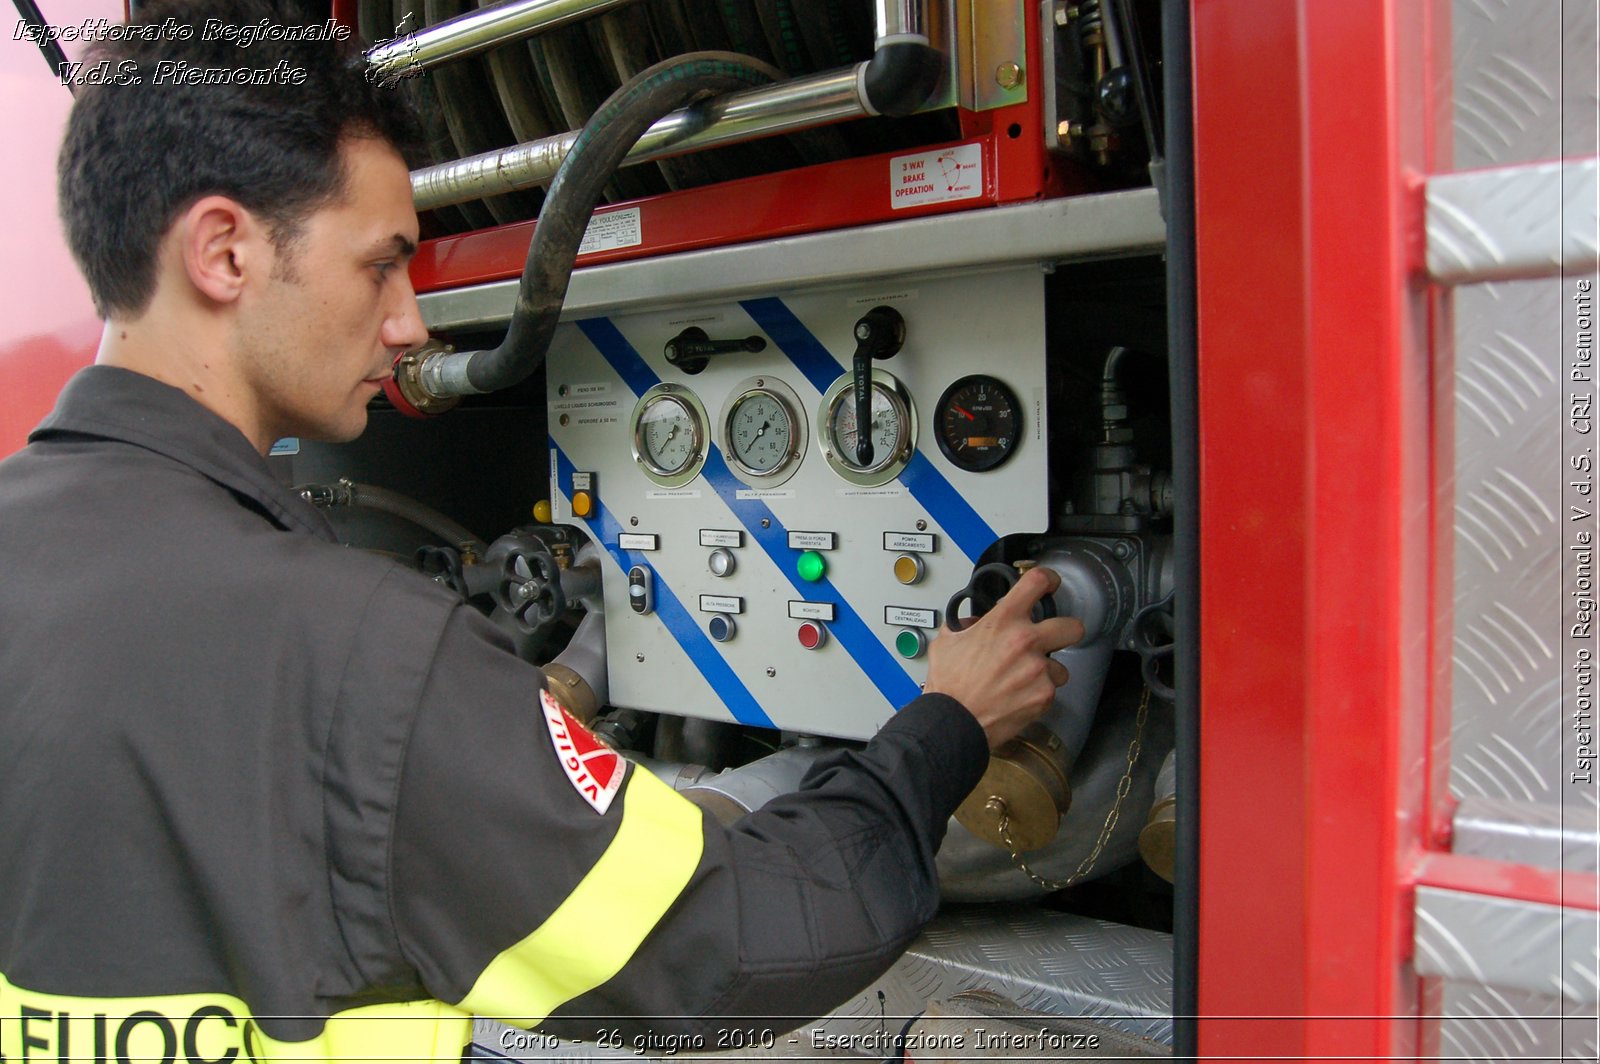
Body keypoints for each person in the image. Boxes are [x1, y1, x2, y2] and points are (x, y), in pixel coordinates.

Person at [0, 1, 1083, 1060]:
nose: (410, 322)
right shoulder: (364, 653)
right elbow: (724, 945)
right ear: (224, 253)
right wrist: (946, 720)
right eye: (382, 262)